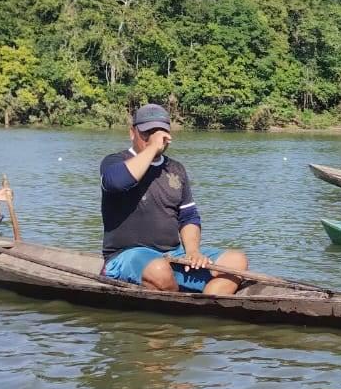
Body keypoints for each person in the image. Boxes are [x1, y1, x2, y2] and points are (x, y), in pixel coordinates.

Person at [100, 104, 248, 294]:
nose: (154, 139)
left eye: (159, 133)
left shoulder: (176, 170)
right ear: (132, 133)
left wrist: (192, 251)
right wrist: (152, 148)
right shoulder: (114, 162)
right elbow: (117, 182)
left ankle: (207, 307)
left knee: (237, 260)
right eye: (147, 133)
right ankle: (176, 299)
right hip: (127, 256)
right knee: (159, 270)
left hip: (172, 254)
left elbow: (189, 216)